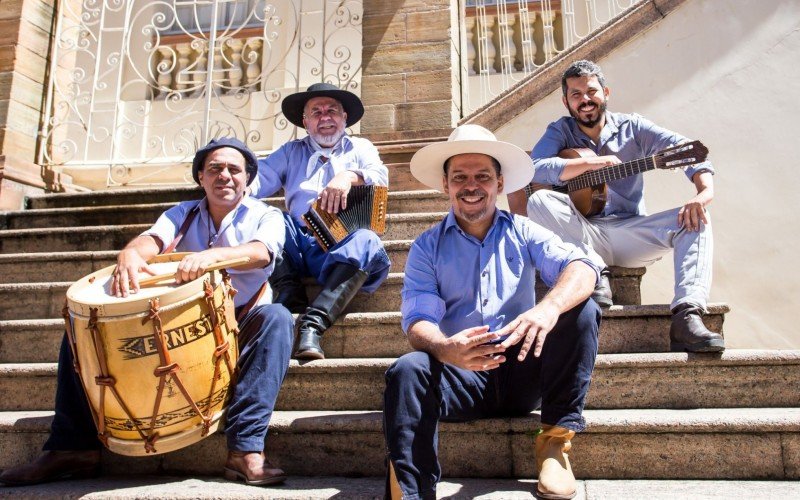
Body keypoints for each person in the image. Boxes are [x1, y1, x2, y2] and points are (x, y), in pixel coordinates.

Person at [0, 138, 293, 487]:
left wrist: (212, 258)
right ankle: (71, 448)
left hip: (240, 323)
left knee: (278, 318)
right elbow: (149, 242)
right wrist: (129, 257)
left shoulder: (267, 214)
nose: (224, 176)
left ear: (247, 179)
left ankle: (245, 450)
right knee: (82, 332)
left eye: (234, 170)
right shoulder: (181, 213)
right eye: (215, 169)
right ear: (201, 177)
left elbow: (261, 252)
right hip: (182, 328)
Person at [383, 124, 602, 500]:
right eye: (460, 177)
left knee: (581, 310)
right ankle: (412, 488)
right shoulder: (425, 248)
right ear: (446, 185)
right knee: (407, 369)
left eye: (482, 175)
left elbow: (583, 267)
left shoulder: (524, 230)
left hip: (524, 370)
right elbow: (418, 320)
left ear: (499, 184)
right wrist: (444, 347)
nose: (472, 185)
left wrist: (547, 309)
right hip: (462, 375)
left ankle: (554, 444)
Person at [507, 59, 724, 353]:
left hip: (627, 232)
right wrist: (589, 163)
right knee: (542, 200)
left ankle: (687, 316)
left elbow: (690, 152)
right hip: (580, 234)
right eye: (575, 94)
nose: (585, 99)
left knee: (697, 218)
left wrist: (702, 194)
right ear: (566, 102)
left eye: (591, 91)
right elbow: (534, 170)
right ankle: (595, 271)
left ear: (605, 93)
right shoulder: (560, 131)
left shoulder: (633, 127)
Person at [249, 83, 391, 360]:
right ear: (305, 121)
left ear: (344, 117)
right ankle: (290, 293)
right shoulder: (290, 151)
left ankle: (313, 323)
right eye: (316, 112)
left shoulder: (360, 147)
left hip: (339, 244)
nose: (325, 117)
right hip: (296, 243)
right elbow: (258, 179)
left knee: (368, 240)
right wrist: (233, 190)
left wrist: (349, 176)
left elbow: (379, 175)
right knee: (264, 215)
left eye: (332, 111)